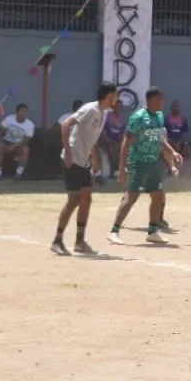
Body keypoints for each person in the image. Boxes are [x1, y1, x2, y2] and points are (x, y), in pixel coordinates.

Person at [107, 87, 182, 245]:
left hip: (153, 162)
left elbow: (160, 139)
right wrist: (122, 169)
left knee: (158, 196)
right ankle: (114, 231)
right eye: (161, 99)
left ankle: (152, 232)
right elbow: (126, 144)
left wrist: (173, 152)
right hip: (138, 162)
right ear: (153, 100)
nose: (163, 102)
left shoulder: (160, 116)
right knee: (131, 197)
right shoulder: (138, 117)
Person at [51, 83, 117, 256]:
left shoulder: (104, 114)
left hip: (83, 160)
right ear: (108, 96)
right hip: (72, 157)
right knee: (74, 199)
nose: (117, 99)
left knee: (86, 198)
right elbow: (66, 125)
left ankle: (79, 241)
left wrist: (94, 160)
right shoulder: (90, 109)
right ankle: (57, 240)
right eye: (115, 95)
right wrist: (67, 153)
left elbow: (91, 139)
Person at [0, 104, 35, 180]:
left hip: (19, 145)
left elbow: (26, 141)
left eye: (25, 111)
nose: (23, 113)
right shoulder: (9, 119)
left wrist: (14, 146)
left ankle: (19, 174)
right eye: (22, 111)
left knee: (26, 150)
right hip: (6, 142)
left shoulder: (30, 124)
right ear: (17, 112)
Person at [98, 100, 125, 178]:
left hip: (115, 144)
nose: (118, 109)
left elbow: (122, 135)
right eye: (117, 107)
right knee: (112, 146)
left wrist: (122, 144)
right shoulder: (107, 116)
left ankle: (118, 170)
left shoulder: (122, 120)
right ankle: (112, 169)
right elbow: (101, 132)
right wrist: (109, 142)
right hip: (104, 141)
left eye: (120, 107)